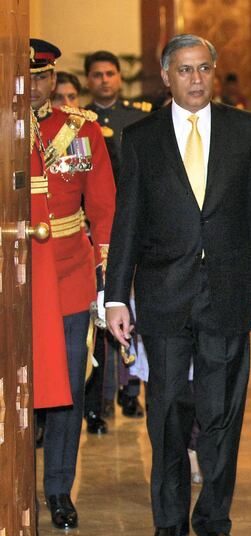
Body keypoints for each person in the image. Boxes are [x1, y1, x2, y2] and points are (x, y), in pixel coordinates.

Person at [104, 33, 251, 536]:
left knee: (222, 411)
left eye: (204, 69)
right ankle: (167, 522)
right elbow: (126, 221)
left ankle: (215, 521)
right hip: (165, 296)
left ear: (213, 71)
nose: (196, 79)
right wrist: (115, 298)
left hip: (228, 293)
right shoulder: (141, 137)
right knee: (167, 410)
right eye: (185, 70)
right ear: (166, 76)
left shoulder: (244, 130)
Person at [29, 38, 117, 529]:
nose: (33, 85)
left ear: (53, 79)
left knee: (66, 386)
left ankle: (59, 489)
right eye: (24, 76)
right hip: (13, 278)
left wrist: (105, 281)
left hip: (67, 273)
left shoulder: (80, 131)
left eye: (41, 76)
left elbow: (103, 208)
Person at [84, 49, 152, 420]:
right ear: (89, 79)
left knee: (135, 306)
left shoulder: (138, 115)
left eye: (111, 74)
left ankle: (131, 387)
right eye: (97, 75)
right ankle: (102, 393)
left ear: (119, 78)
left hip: (137, 221)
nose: (105, 80)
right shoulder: (79, 122)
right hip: (102, 221)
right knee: (107, 305)